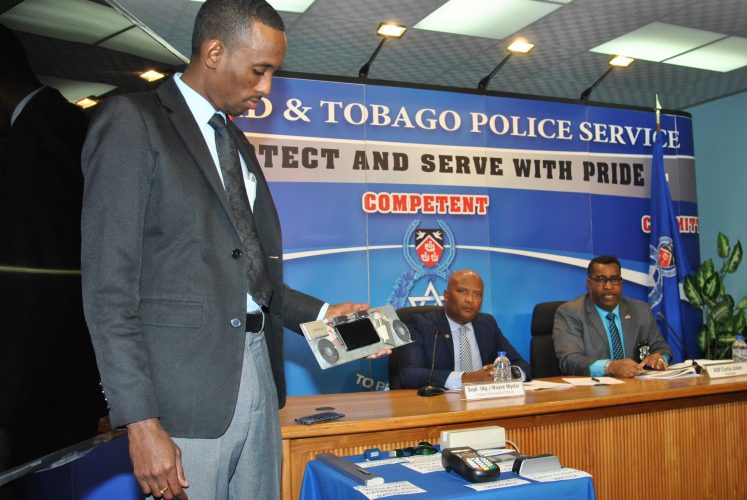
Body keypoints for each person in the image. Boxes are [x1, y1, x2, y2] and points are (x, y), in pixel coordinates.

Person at [80, 1, 384, 499]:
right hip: (183, 399)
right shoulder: (132, 122)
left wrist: (327, 314)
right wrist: (139, 420)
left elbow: (246, 273)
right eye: (260, 70)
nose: (266, 88)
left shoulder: (236, 143)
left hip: (259, 376)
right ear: (214, 52)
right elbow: (108, 290)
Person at [0, 23, 105, 471]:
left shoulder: (38, 140)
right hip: (60, 379)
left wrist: (5, 407)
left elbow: (37, 283)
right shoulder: (58, 124)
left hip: (41, 388)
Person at [395, 270, 530, 390]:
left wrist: (502, 374)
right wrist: (467, 378)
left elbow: (522, 365)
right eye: (463, 291)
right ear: (446, 296)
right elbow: (409, 374)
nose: (470, 299)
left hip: (485, 404)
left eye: (477, 294)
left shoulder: (487, 324)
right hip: (440, 407)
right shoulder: (419, 324)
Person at [552, 255, 672, 378]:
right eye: (601, 280)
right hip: (593, 391)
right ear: (589, 283)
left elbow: (662, 348)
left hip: (635, 387)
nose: (608, 286)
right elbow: (569, 360)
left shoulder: (641, 310)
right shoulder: (571, 312)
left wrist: (660, 358)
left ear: (621, 282)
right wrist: (609, 367)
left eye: (614, 279)